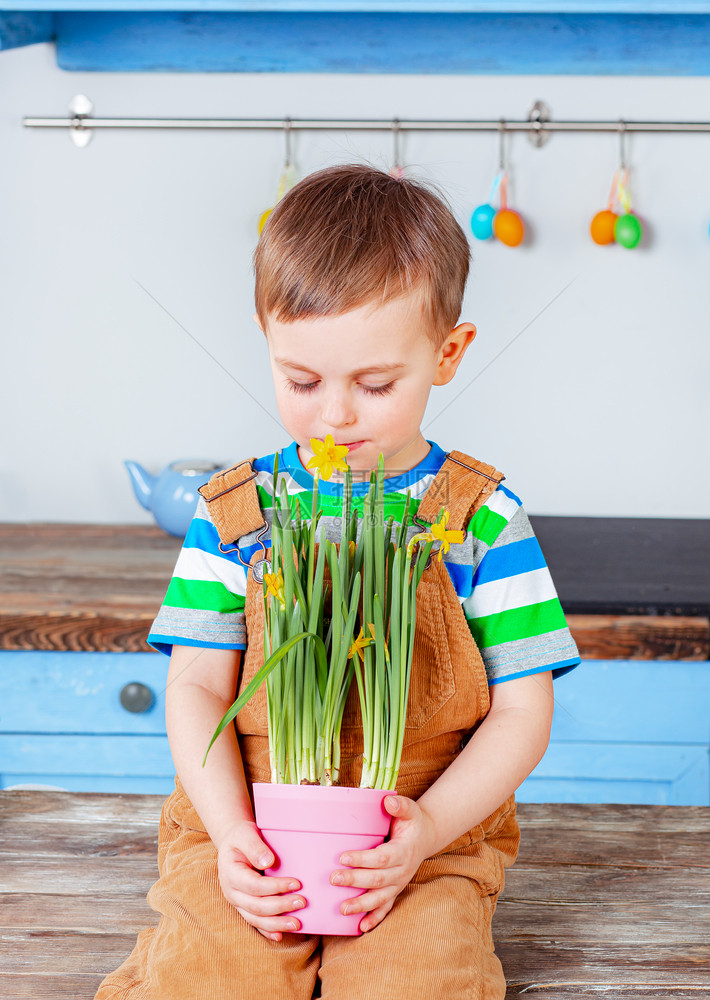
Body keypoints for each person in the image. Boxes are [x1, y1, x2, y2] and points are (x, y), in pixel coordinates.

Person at [95, 164, 580, 1000]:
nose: (336, 417)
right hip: (245, 824)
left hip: (419, 837)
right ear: (266, 339)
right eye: (302, 380)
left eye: (376, 384)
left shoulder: (482, 517)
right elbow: (196, 690)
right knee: (206, 983)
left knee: (416, 984)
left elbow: (524, 713)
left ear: (449, 353)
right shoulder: (238, 511)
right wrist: (231, 832)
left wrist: (425, 832)